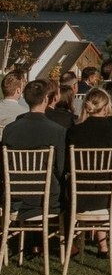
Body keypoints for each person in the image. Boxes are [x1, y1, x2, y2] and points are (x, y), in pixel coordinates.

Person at [67, 87, 112, 254]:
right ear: (106, 107)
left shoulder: (74, 131)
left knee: (105, 181)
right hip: (110, 195)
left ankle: (103, 244)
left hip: (80, 196)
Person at [2, 79, 67, 222]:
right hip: (47, 197)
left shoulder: (10, 130)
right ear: (45, 99)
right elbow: (60, 169)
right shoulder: (57, 131)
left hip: (15, 195)